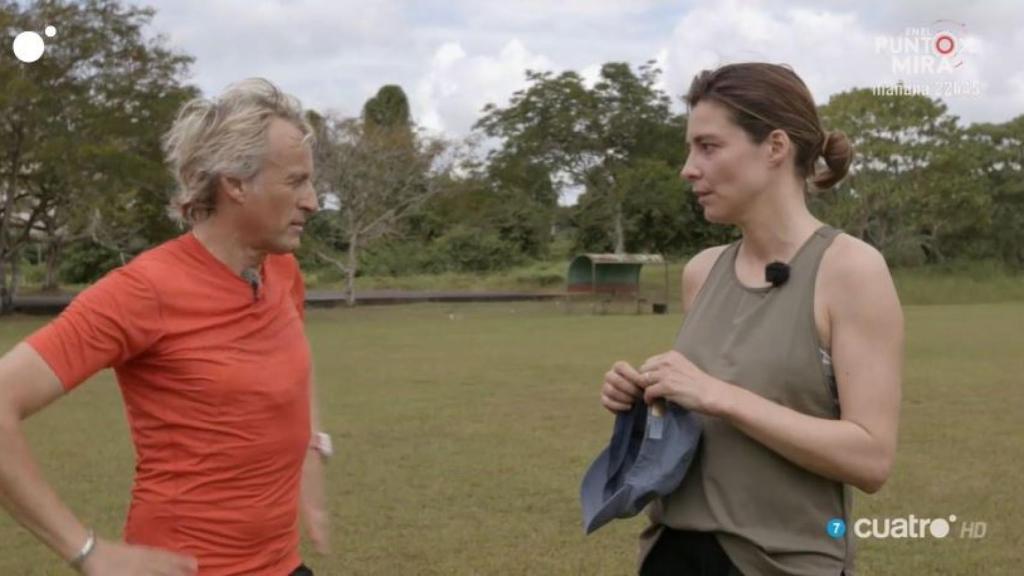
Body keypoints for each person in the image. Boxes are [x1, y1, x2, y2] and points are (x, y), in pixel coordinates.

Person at [0, 78, 330, 576]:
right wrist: (87, 551)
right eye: (295, 181)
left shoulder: (281, 271)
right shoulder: (144, 291)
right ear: (235, 184)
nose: (313, 200)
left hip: (282, 565)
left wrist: (308, 450)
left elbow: (292, 373)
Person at [600, 63, 903, 576]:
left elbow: (870, 459)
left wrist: (719, 395)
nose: (688, 168)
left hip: (781, 563)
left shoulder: (851, 270)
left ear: (775, 148)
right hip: (672, 552)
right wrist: (647, 398)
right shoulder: (701, 271)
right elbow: (706, 422)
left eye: (709, 146)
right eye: (690, 149)